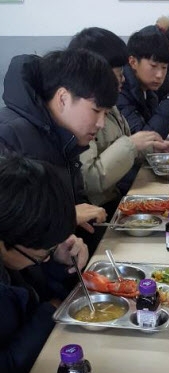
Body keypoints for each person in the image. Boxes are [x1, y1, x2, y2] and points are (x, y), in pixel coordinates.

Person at [0, 156, 88, 373]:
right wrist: (50, 309)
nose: (46, 255)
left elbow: (35, 287)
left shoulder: (16, 247)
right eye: (43, 252)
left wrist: (60, 259)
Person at [0, 48, 117, 237]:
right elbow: (8, 227)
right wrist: (65, 218)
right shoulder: (7, 135)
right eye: (96, 111)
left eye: (106, 113)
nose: (101, 123)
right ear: (63, 98)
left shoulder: (64, 136)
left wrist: (66, 240)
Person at [68, 27, 169, 215]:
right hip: (100, 209)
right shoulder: (79, 116)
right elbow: (90, 180)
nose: (122, 80)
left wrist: (150, 146)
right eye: (118, 74)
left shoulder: (110, 106)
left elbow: (126, 144)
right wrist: (132, 145)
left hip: (115, 196)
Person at [117, 32, 169, 138]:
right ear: (133, 62)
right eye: (153, 66)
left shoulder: (147, 89)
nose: (160, 75)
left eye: (164, 67)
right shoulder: (120, 92)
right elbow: (144, 141)